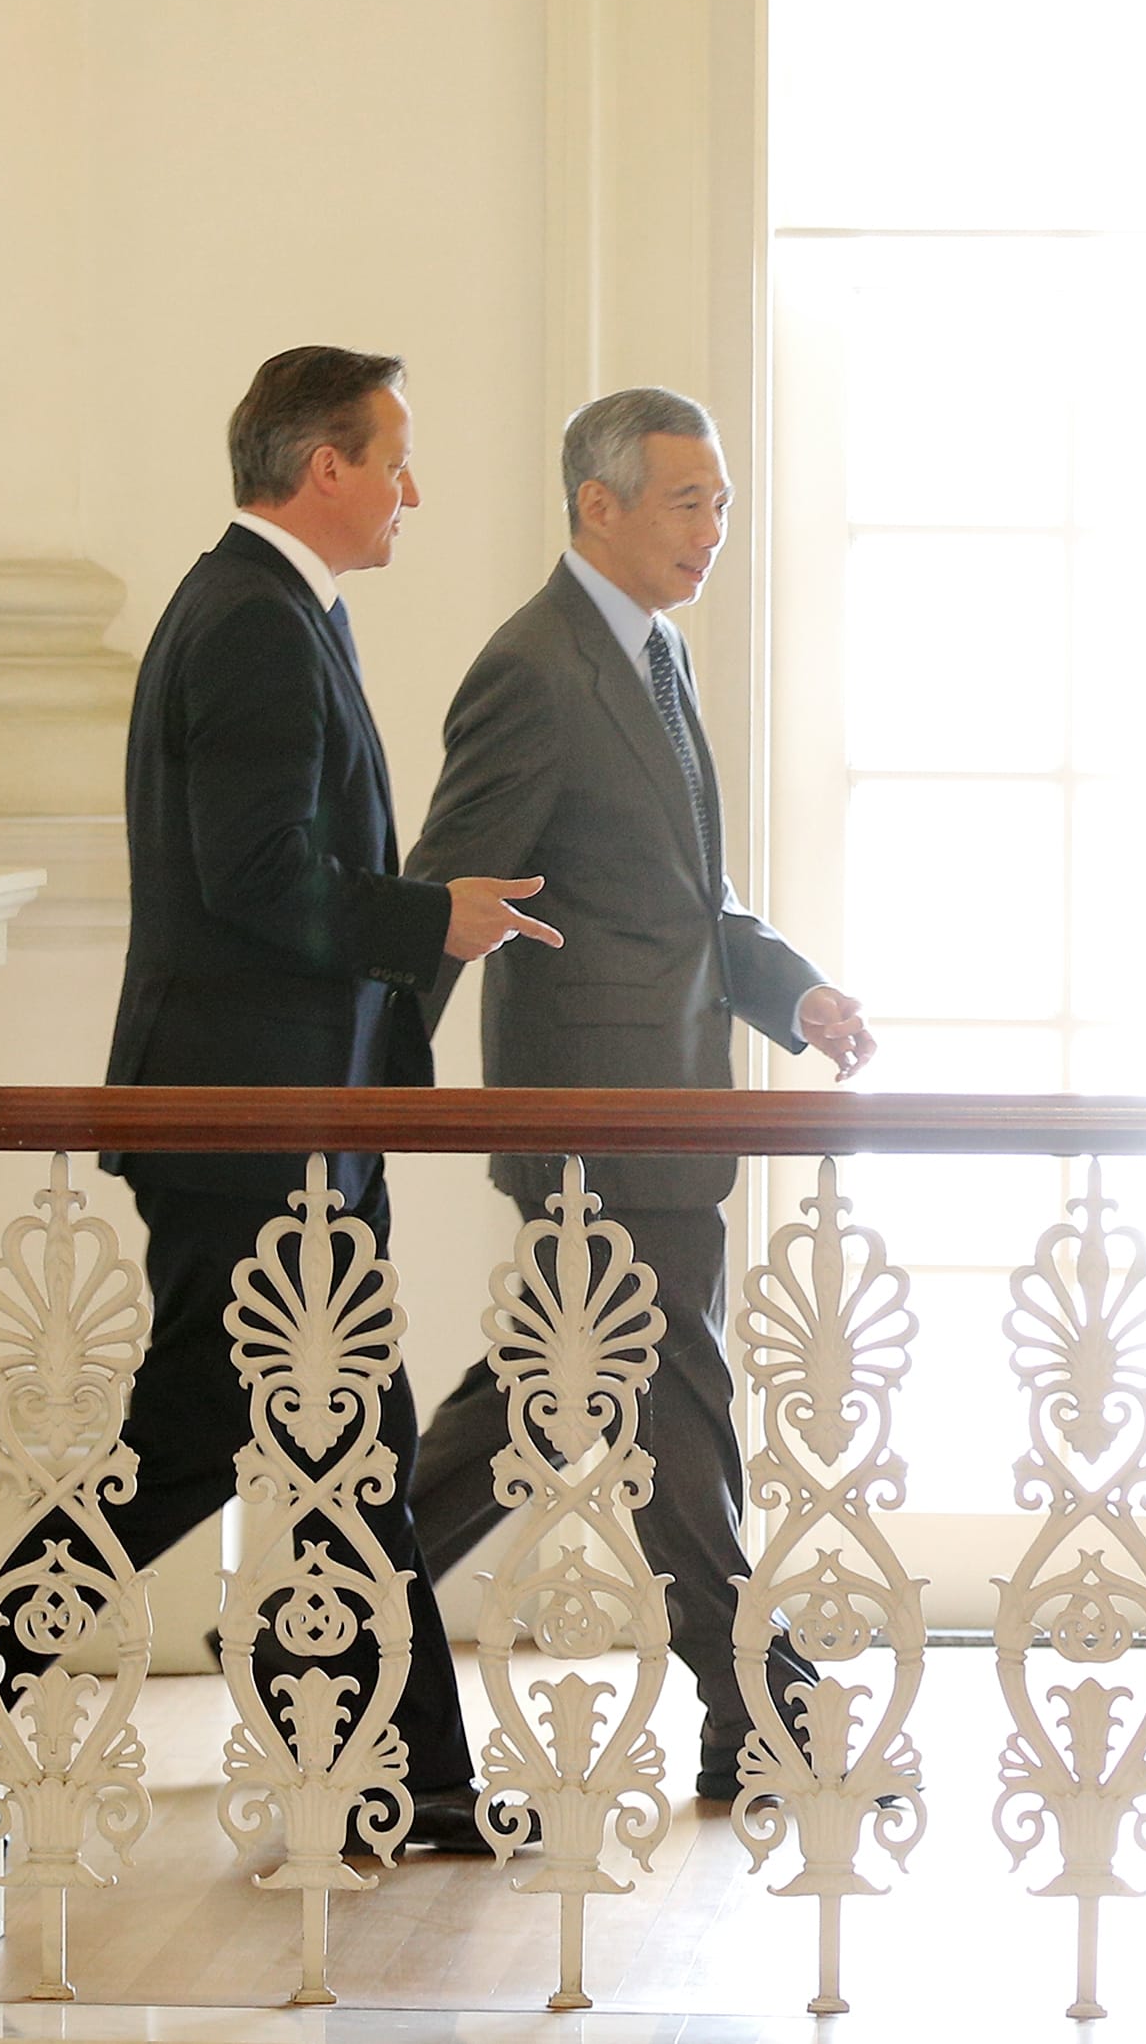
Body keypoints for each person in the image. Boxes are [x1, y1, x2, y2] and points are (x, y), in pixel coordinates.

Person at [0, 345, 556, 1860]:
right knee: (197, 1448)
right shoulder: (251, 624)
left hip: (287, 1123)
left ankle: (406, 1787)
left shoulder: (268, 608)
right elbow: (258, 878)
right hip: (246, 1129)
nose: (414, 489)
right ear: (322, 467)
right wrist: (433, 921)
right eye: (395, 458)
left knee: (359, 1458)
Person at [403, 385, 878, 1803]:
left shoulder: (653, 659)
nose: (713, 529)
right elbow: (451, 886)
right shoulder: (535, 669)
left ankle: (331, 1634)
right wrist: (366, 1086)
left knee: (542, 1410)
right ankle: (759, 1715)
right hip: (589, 1128)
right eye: (687, 501)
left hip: (667, 1114)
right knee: (675, 1402)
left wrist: (789, 992)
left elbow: (687, 902)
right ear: (595, 505)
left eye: (721, 503)